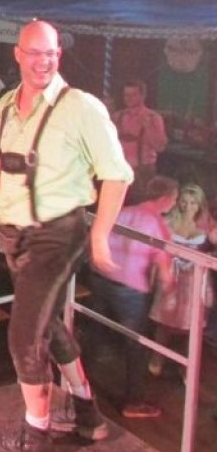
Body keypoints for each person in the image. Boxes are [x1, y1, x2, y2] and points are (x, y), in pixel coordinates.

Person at [0, 20, 133, 452]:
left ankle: (37, 434)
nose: (43, 61)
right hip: (13, 235)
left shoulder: (81, 107)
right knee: (45, 323)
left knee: (23, 334)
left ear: (59, 55)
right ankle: (87, 414)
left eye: (51, 53)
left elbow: (117, 175)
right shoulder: (6, 105)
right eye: (35, 53)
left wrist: (100, 236)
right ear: (18, 54)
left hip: (57, 235)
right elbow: (0, 164)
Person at [90, 175, 177, 419]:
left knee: (94, 335)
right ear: (166, 198)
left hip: (102, 278)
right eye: (174, 199)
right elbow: (165, 274)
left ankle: (76, 386)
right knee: (135, 345)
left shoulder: (122, 211)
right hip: (131, 289)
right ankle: (134, 402)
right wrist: (172, 292)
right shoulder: (158, 226)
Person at [148, 183, 212, 376]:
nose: (188, 206)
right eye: (184, 201)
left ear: (200, 204)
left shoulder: (207, 225)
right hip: (172, 277)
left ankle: (187, 367)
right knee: (164, 323)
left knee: (192, 326)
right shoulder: (168, 221)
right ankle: (157, 358)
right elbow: (155, 248)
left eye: (193, 202)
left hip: (194, 281)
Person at [112, 80, 168, 199]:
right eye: (126, 95)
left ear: (143, 96)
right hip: (119, 171)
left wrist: (148, 128)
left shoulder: (153, 118)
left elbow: (160, 147)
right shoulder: (118, 116)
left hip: (143, 173)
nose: (129, 98)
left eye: (133, 95)